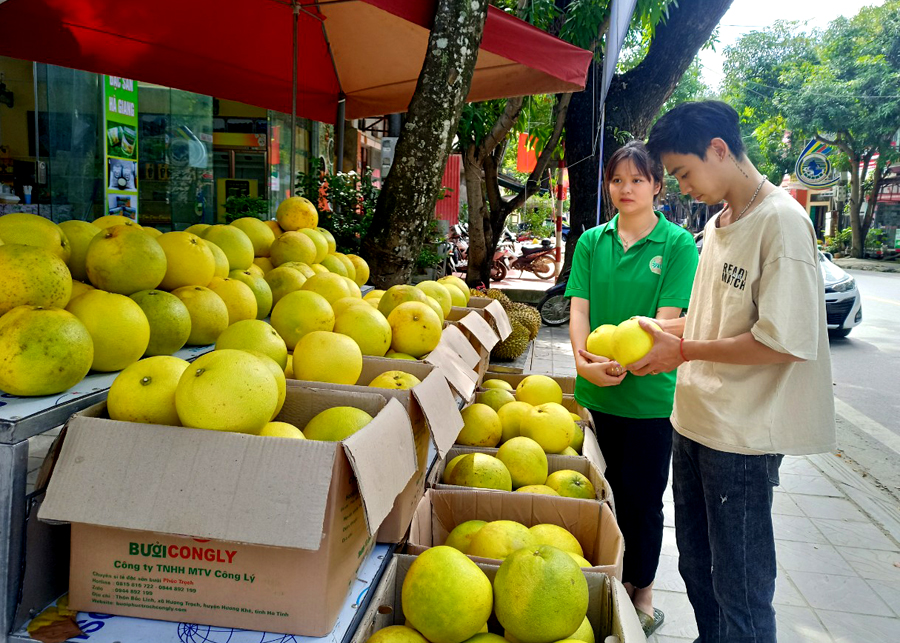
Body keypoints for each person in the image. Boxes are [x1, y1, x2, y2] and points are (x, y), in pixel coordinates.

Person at [633, 100, 836, 643]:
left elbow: (783, 341)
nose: (681, 186)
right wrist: (662, 332)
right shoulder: (721, 223)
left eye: (683, 172)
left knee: (741, 588)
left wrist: (685, 351)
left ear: (718, 149)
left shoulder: (782, 223)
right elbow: (710, 322)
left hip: (742, 439)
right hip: (694, 421)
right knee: (697, 570)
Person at [565, 141, 699, 637]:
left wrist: (619, 361)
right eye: (616, 180)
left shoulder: (677, 245)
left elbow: (664, 324)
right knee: (598, 496)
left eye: (637, 180)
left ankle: (642, 592)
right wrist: (582, 362)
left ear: (657, 186)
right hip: (595, 393)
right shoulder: (591, 242)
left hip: (649, 400)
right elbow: (579, 308)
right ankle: (600, 581)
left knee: (642, 500)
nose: (625, 189)